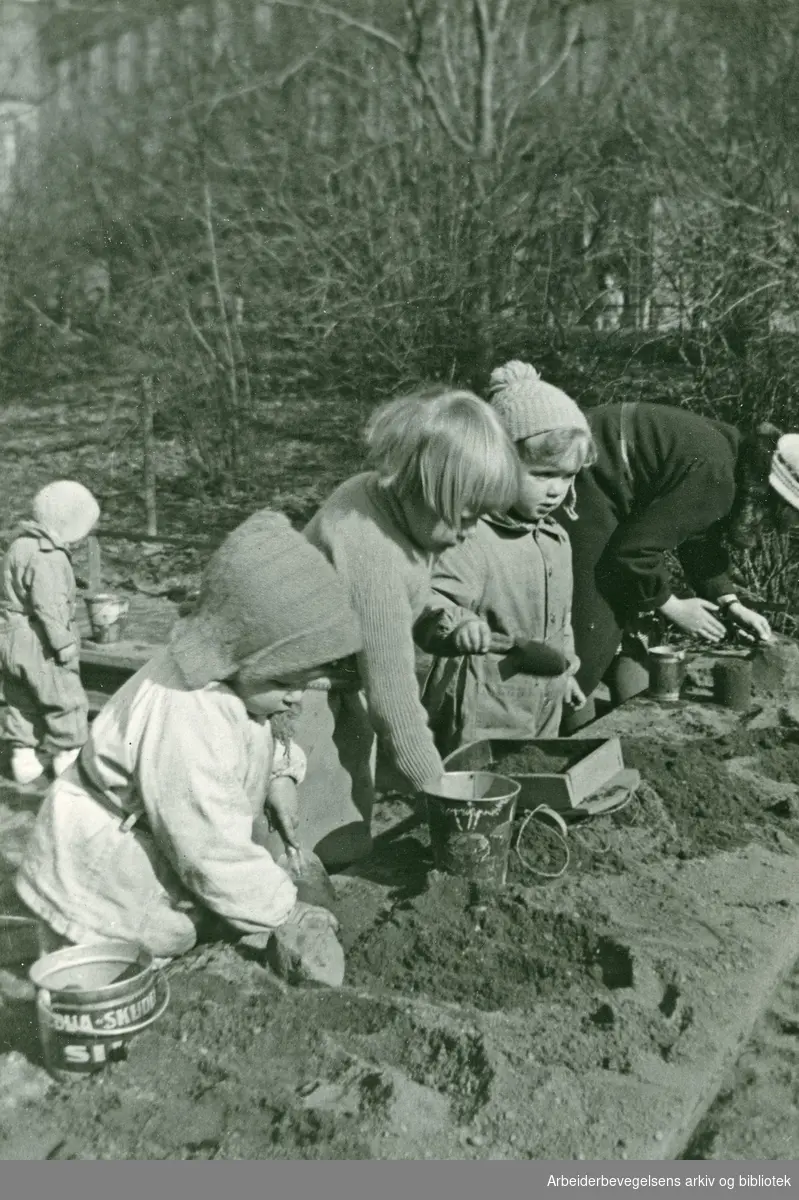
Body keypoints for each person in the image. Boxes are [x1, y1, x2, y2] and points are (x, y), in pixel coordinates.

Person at [16, 510, 362, 981]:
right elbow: (207, 845)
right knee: (107, 979)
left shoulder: (237, 680)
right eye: (284, 679)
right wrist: (285, 911)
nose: (296, 696)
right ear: (240, 650)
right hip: (100, 880)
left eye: (305, 680)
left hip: (143, 855)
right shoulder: (188, 713)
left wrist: (280, 772)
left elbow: (258, 729)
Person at [302, 385, 521, 857]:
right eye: (464, 518)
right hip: (302, 704)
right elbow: (393, 696)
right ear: (423, 488)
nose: (468, 535)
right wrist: (439, 791)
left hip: (335, 688)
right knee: (315, 839)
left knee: (345, 819)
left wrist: (446, 624)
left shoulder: (382, 502)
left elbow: (407, 604)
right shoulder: (369, 550)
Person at [564, 403, 799, 729]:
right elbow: (632, 552)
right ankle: (570, 730)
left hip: (611, 474)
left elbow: (699, 540)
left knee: (635, 619)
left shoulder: (735, 462)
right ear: (772, 498)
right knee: (593, 625)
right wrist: (671, 605)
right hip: (590, 473)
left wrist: (730, 603)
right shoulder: (716, 474)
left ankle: (621, 713)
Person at [414, 361, 592, 755]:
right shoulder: (470, 537)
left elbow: (560, 622)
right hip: (483, 705)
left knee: (533, 776)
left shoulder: (556, 537)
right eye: (542, 474)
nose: (555, 491)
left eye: (568, 476)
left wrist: (567, 672)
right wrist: (457, 626)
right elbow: (429, 600)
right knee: (483, 792)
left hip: (542, 702)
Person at [0, 481, 100, 785]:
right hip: (39, 640)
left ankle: (23, 758)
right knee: (63, 696)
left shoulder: (19, 545)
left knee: (20, 697)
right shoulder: (49, 556)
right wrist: (64, 643)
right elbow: (49, 607)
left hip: (9, 635)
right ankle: (67, 759)